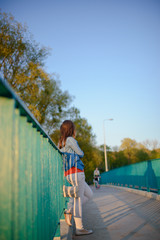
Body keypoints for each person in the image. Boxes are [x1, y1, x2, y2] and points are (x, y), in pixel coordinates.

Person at [59, 120, 93, 236]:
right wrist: (78, 150)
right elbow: (81, 153)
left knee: (89, 194)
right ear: (71, 129)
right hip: (76, 172)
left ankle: (69, 210)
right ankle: (79, 228)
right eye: (74, 128)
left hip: (70, 173)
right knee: (78, 199)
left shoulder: (62, 141)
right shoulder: (70, 140)